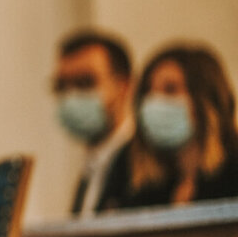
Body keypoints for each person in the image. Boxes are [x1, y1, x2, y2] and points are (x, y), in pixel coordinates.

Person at [117, 43, 238, 208]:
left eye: (170, 89)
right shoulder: (146, 186)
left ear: (206, 99)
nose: (155, 102)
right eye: (148, 92)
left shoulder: (232, 172)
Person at [51, 29, 133, 215]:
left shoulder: (144, 165)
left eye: (85, 83)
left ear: (123, 87)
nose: (71, 96)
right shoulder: (91, 167)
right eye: (61, 86)